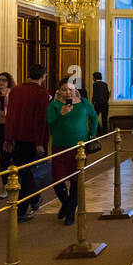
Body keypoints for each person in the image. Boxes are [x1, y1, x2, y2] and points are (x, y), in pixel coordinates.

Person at [47, 78, 99, 226]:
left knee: (76, 180)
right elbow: (51, 125)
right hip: (60, 146)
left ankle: (70, 212)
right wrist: (61, 114)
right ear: (59, 91)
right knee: (57, 180)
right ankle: (66, 203)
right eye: (64, 90)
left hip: (79, 147)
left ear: (75, 89)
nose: (68, 92)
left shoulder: (84, 103)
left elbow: (94, 118)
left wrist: (92, 135)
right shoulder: (54, 105)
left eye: (70, 89)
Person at [4, 64, 51, 222]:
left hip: (17, 137)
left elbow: (10, 115)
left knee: (23, 172)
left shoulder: (16, 90)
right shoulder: (42, 93)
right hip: (32, 139)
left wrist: (8, 138)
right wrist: (40, 142)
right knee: (29, 174)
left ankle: (31, 201)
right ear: (43, 76)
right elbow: (40, 120)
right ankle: (27, 205)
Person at [0, 72, 15, 198]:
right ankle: (5, 187)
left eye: (4, 80)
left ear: (8, 82)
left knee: (12, 156)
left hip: (10, 128)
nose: (1, 82)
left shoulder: (13, 94)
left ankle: (15, 183)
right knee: (3, 158)